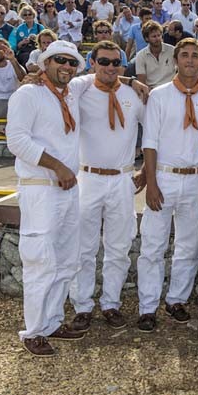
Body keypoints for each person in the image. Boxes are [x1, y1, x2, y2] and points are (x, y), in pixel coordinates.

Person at [136, 38, 198, 333]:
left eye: (194, 56)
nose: (188, 60)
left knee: (188, 245)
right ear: (176, 60)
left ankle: (177, 299)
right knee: (152, 244)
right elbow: (149, 142)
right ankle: (147, 307)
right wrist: (151, 183)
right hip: (164, 176)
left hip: (197, 177)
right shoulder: (160, 96)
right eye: (183, 55)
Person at [7, 40, 86, 356]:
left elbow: (103, 79)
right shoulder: (28, 94)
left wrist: (132, 80)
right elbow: (16, 140)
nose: (66, 67)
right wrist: (57, 166)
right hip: (40, 186)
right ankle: (33, 331)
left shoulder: (70, 95)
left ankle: (53, 321)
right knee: (40, 260)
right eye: (59, 61)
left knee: (67, 259)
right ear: (44, 63)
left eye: (71, 62)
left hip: (67, 189)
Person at [68, 41, 144, 332]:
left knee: (119, 246)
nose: (110, 67)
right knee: (83, 247)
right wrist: (128, 78)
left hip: (122, 179)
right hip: (88, 178)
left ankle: (111, 303)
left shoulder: (132, 95)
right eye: (104, 61)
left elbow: (151, 132)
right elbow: (69, 79)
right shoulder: (81, 90)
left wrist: (145, 173)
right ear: (92, 62)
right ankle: (82, 305)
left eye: (116, 63)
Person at [0, 39, 25, 118]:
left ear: (6, 50)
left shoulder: (13, 64)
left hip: (12, 101)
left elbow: (23, 79)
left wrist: (12, 59)